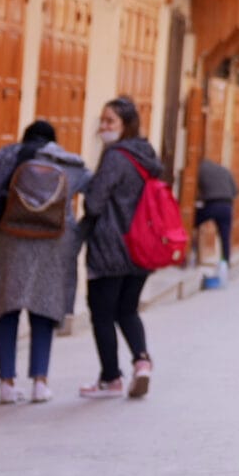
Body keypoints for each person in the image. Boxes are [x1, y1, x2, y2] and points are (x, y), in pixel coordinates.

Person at [0, 120, 90, 404]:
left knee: (6, 309)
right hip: (52, 244)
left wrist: (0, 224)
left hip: (10, 240)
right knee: (44, 309)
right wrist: (76, 230)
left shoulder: (5, 156)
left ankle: (6, 383)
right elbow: (96, 192)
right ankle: (40, 382)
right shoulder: (68, 162)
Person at [79, 96, 162, 399]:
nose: (103, 127)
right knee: (127, 309)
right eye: (102, 121)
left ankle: (110, 378)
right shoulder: (146, 155)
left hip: (110, 248)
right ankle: (142, 361)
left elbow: (94, 202)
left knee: (101, 312)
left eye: (109, 121)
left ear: (125, 125)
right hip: (142, 247)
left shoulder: (115, 157)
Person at [196, 158, 238, 282]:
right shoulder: (224, 170)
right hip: (227, 205)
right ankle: (226, 263)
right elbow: (235, 191)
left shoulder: (200, 169)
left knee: (189, 224)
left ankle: (183, 255)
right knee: (225, 237)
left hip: (211, 204)